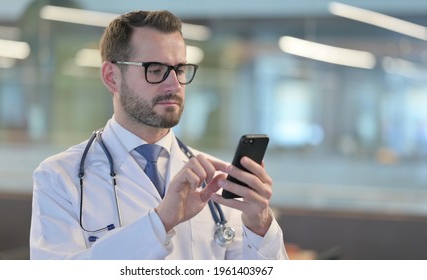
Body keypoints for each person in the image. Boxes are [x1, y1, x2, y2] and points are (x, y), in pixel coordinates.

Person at [30, 10, 288, 260]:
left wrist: (260, 224)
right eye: (155, 70)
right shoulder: (59, 177)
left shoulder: (215, 179)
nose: (174, 84)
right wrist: (160, 222)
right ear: (112, 77)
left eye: (180, 69)